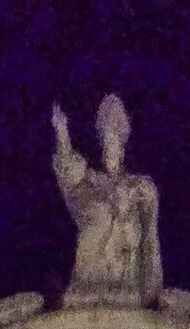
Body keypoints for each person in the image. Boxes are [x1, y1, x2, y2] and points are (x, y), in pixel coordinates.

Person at [51, 95, 162, 307]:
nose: (110, 154)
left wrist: (133, 200)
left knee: (123, 216)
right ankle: (88, 284)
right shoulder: (94, 181)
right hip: (91, 266)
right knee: (99, 212)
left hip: (125, 269)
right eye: (107, 147)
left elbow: (148, 209)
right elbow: (71, 177)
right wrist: (62, 135)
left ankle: (122, 287)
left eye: (115, 148)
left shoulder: (137, 184)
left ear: (121, 151)